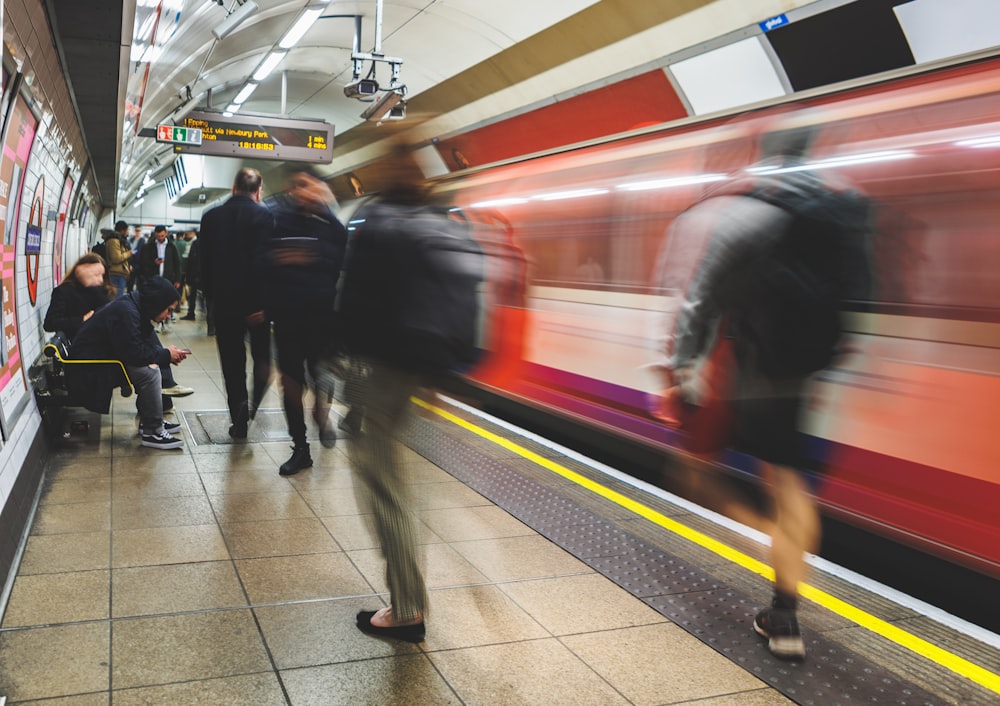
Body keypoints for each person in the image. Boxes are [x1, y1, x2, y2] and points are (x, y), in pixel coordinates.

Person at [654, 120, 872, 660]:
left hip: (751, 374)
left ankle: (771, 569)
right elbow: (858, 301)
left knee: (695, 475)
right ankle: (787, 609)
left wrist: (680, 368)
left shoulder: (747, 216)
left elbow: (701, 301)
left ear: (766, 159)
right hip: (806, 377)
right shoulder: (839, 213)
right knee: (792, 487)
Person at [339, 150, 484, 643]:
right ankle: (409, 598)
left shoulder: (378, 222)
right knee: (400, 480)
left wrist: (346, 374)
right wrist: (438, 376)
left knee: (384, 487)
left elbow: (352, 306)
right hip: (422, 370)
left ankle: (406, 610)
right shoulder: (443, 221)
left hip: (379, 369)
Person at [262, 167, 348, 475]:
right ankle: (300, 448)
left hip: (322, 319)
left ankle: (321, 412)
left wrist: (307, 252)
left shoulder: (331, 226)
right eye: (297, 186)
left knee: (319, 376)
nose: (301, 191)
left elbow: (340, 263)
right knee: (291, 384)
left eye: (308, 186)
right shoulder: (278, 221)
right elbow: (267, 261)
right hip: (287, 319)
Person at [67, 276, 190, 450]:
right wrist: (165, 355)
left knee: (150, 364)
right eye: (168, 310)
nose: (168, 316)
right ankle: (152, 431)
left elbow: (137, 347)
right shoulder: (127, 312)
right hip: (88, 369)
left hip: (99, 360)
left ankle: (149, 420)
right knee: (149, 372)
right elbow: (135, 354)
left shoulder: (131, 306)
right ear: (157, 303)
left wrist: (166, 354)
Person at [198, 167, 273, 438]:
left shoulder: (211, 217)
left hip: (225, 303)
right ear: (258, 191)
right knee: (263, 358)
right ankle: (254, 401)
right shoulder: (266, 216)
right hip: (257, 307)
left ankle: (238, 414)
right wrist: (266, 304)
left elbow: (203, 263)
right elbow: (268, 264)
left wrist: (210, 300)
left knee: (232, 362)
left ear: (233, 188)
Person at [43, 253, 117, 340]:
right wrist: (82, 319)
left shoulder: (105, 292)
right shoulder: (64, 291)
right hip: (78, 343)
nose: (100, 279)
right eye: (96, 274)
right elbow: (50, 323)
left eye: (102, 275)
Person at [138, 225, 182, 291]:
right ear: (155, 234)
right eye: (158, 236)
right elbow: (143, 263)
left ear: (166, 233)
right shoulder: (148, 247)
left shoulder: (172, 246)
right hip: (153, 279)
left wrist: (178, 280)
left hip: (168, 279)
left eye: (162, 236)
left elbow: (177, 263)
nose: (160, 238)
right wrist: (153, 262)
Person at [105, 221, 134, 297]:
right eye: (127, 230)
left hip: (120, 273)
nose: (128, 232)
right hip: (116, 274)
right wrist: (129, 253)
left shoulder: (120, 240)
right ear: (122, 230)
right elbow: (116, 258)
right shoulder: (114, 241)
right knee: (116, 299)